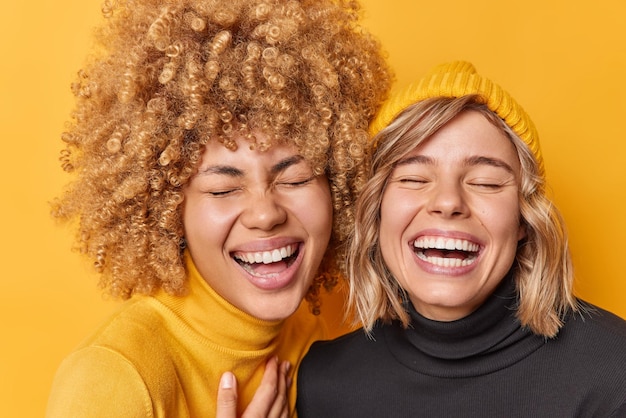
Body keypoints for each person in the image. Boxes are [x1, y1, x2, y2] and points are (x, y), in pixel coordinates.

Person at [45, 0, 391, 416]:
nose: (265, 214)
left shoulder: (310, 339)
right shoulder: (112, 379)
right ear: (170, 211)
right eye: (224, 188)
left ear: (337, 185)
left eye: (296, 178)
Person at [296, 61, 626, 417]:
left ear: (523, 220)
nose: (448, 202)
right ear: (376, 212)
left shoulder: (613, 372)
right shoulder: (320, 383)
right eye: (414, 178)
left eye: (485, 182)